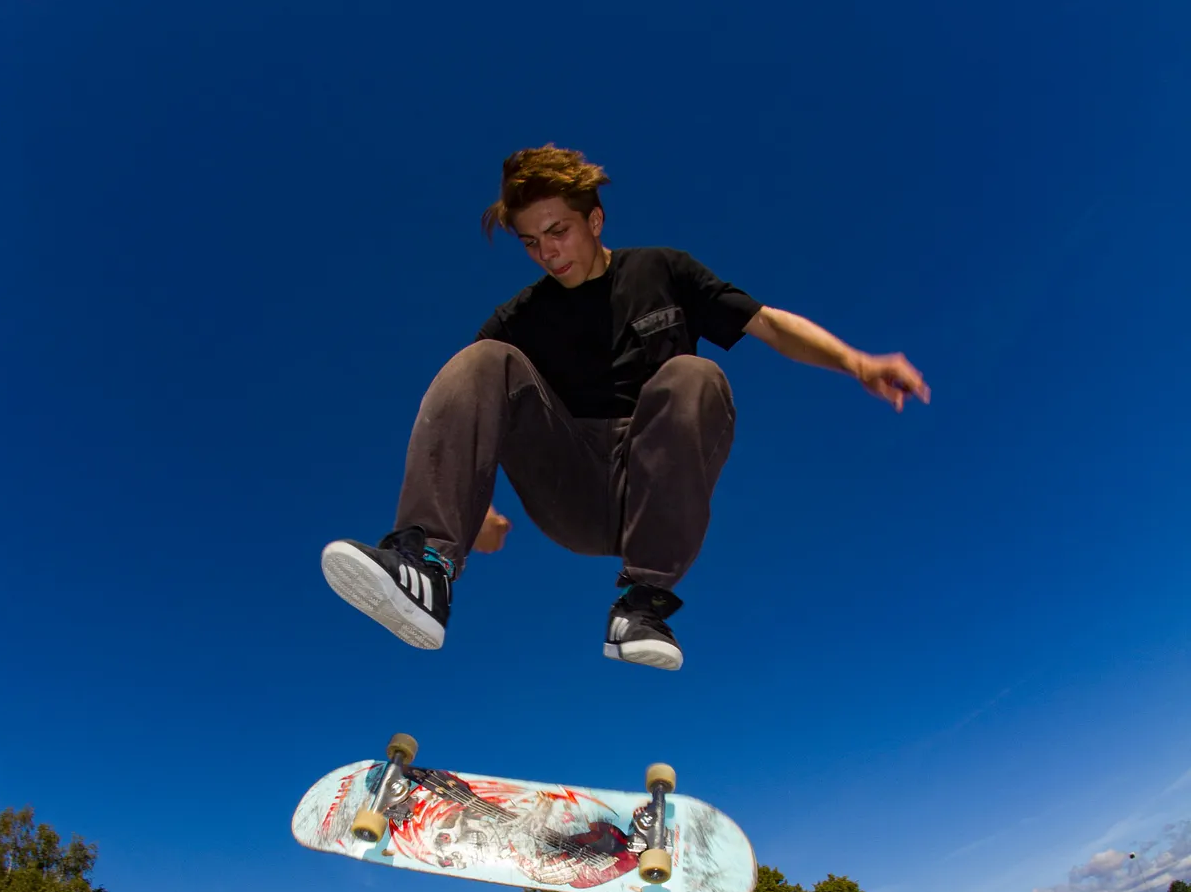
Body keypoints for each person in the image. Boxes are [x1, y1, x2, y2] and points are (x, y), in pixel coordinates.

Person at [322, 145, 929, 670]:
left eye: (559, 232)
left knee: (694, 375)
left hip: (654, 480)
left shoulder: (662, 270)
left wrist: (856, 362)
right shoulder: (519, 317)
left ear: (595, 219)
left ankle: (641, 608)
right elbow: (468, 411)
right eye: (532, 243)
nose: (548, 254)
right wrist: (474, 507)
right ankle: (426, 570)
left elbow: (767, 325)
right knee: (480, 360)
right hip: (572, 489)